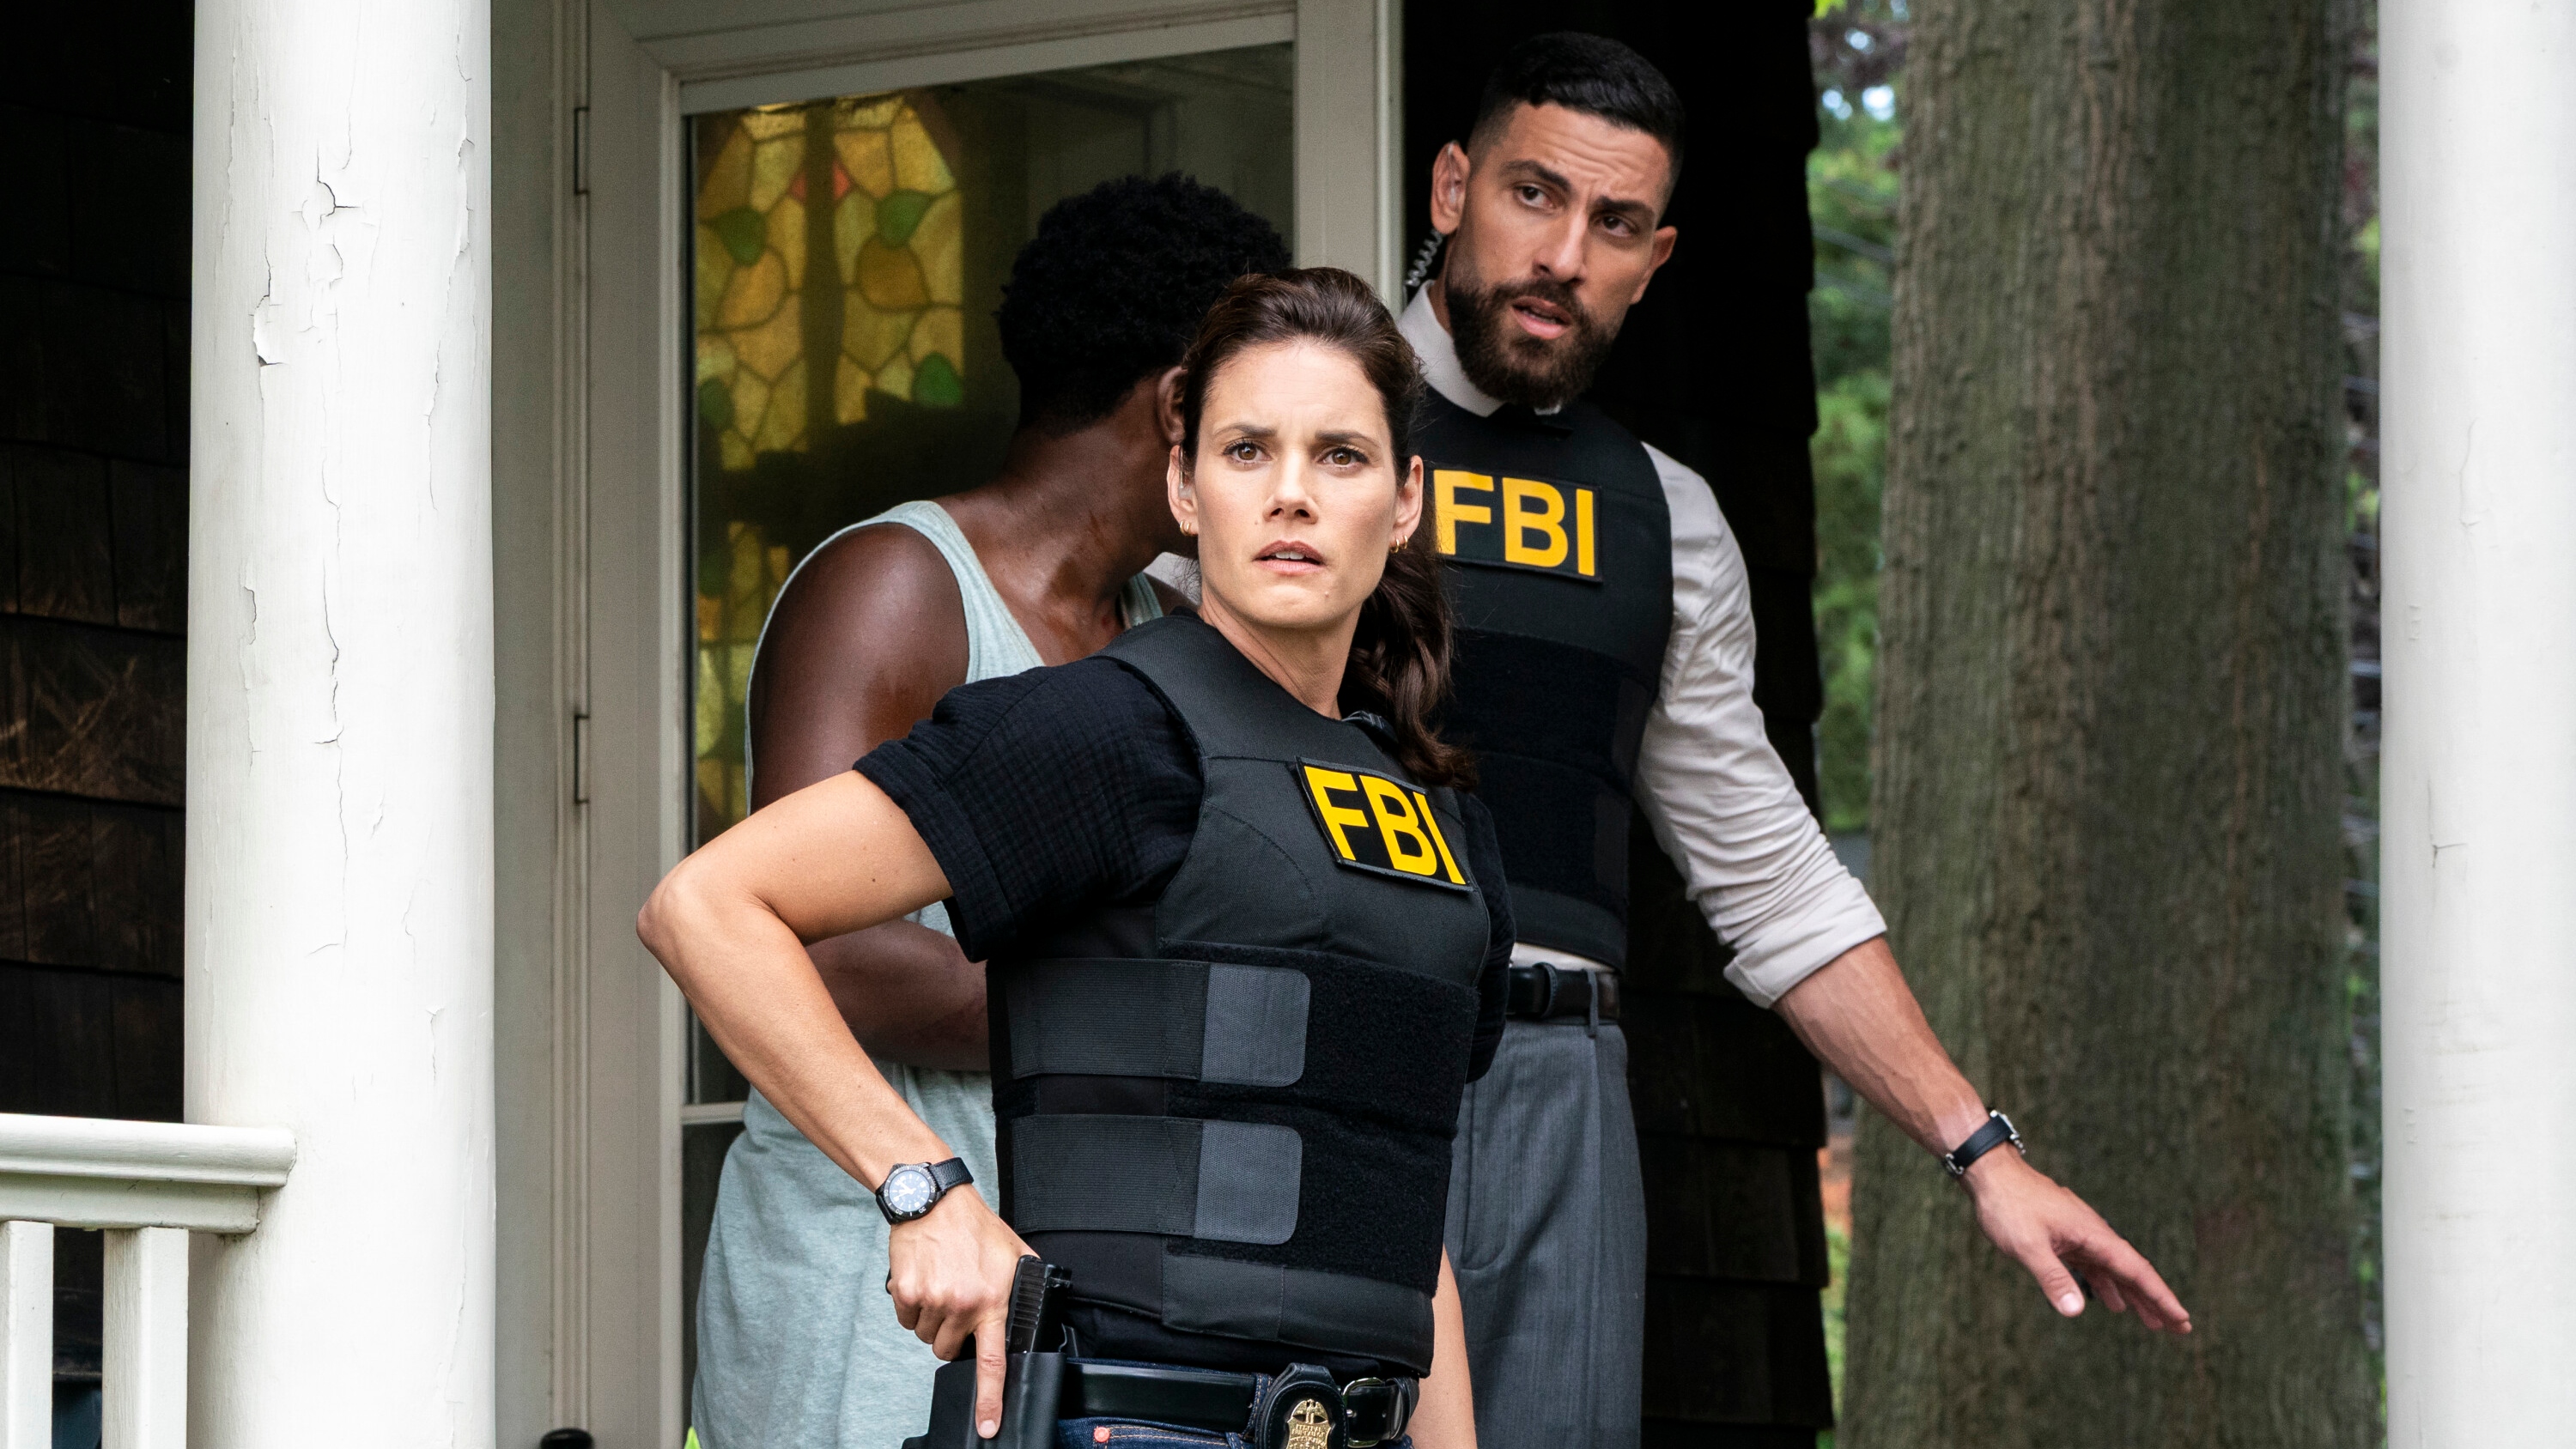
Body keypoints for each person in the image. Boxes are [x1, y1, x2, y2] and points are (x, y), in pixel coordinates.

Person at [1408, 34, 2195, 1448]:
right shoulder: (1290, 421)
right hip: (1317, 1050)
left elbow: (1769, 875)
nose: (1563, 253)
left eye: (1616, 225)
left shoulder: (1664, 516)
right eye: (1532, 195)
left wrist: (1982, 1151)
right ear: (1451, 189)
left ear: (1656, 262)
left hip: (1557, 1090)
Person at [647, 269, 1502, 1449]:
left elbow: (1405, 1215)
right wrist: (920, 1185)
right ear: (1183, 486)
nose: (1293, 496)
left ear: (1405, 499)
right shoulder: (1112, 727)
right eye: (1247, 451)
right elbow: (708, 905)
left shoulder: (1431, 810)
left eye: (1341, 457)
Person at [690, 175, 1289, 1449]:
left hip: (1056, 1294)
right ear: (1180, 404)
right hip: (867, 1272)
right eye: (1250, 420)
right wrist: (1142, 1009)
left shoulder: (1166, 633)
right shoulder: (896, 587)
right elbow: (819, 948)